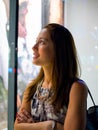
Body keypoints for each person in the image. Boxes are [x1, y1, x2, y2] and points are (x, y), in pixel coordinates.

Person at [14, 23, 88, 130]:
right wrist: (50, 126)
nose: (34, 47)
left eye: (42, 42)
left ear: (59, 49)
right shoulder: (32, 88)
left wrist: (31, 125)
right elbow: (17, 127)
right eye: (36, 42)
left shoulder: (76, 88)